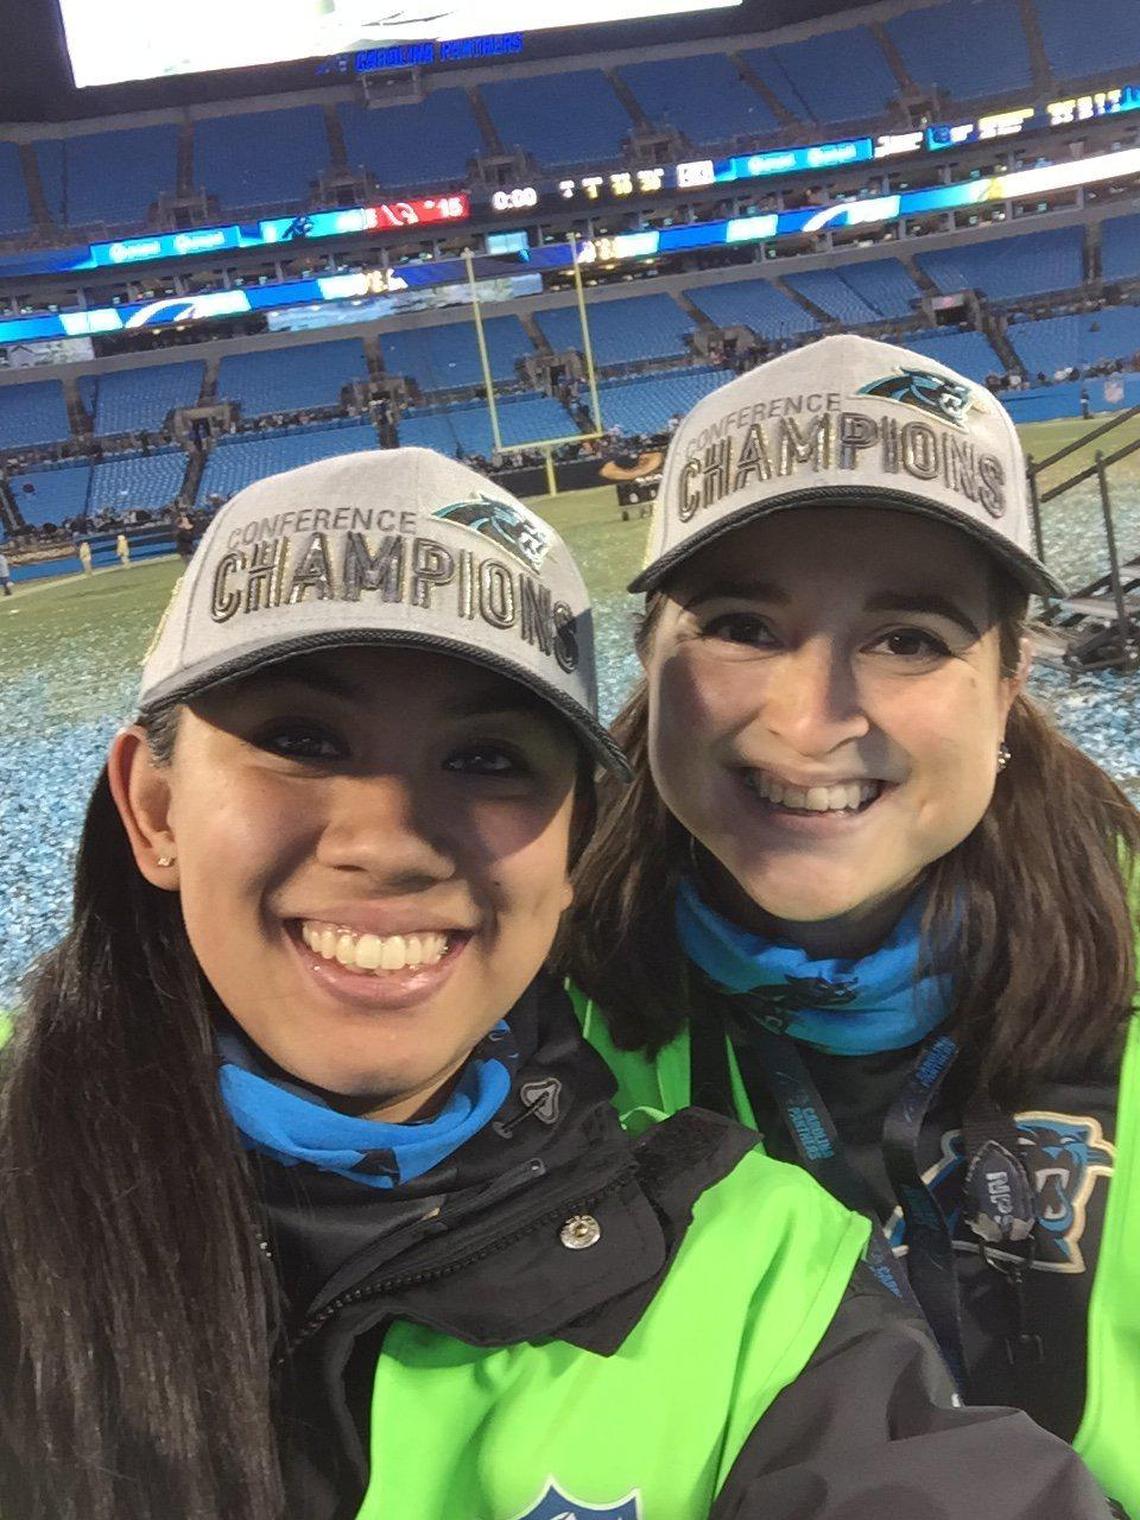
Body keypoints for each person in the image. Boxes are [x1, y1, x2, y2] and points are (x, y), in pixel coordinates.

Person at [0, 448, 1117, 1520]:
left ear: (573, 846)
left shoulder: (749, 1260)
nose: (390, 842)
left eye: (487, 759)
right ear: (153, 807)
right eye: (303, 738)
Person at [565, 336, 1140, 1516]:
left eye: (909, 638)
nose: (813, 718)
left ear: (1010, 681)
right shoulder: (508, 1026)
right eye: (743, 624)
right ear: (646, 656)